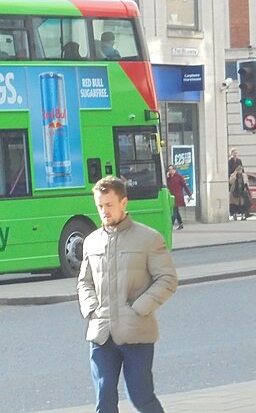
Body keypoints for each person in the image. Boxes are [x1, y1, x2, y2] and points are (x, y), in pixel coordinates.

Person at [78, 176, 178, 413]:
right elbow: (84, 282)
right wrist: (92, 309)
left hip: (137, 334)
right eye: (100, 206)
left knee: (141, 397)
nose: (104, 211)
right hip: (101, 334)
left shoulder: (148, 238)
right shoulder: (91, 242)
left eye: (109, 205)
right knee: (104, 400)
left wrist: (139, 307)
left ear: (124, 202)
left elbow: (168, 279)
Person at [165, 165, 191, 230]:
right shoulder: (169, 178)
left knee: (174, 212)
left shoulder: (179, 177)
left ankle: (171, 224)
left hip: (178, 197)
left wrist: (189, 195)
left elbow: (185, 186)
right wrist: (167, 178)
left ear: (174, 170)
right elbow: (166, 186)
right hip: (171, 197)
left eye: (171, 169)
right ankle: (181, 223)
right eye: (169, 169)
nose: (170, 171)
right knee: (176, 211)